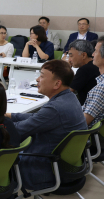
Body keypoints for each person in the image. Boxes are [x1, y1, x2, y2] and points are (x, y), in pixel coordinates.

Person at [6, 60, 86, 191]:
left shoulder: (55, 108)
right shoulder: (69, 97)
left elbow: (19, 130)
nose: (37, 79)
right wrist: (10, 116)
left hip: (43, 168)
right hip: (63, 165)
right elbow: (37, 118)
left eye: (42, 76)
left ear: (57, 83)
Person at [67, 40, 99, 105]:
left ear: (84, 55)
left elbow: (67, 92)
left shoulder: (85, 70)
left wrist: (65, 69)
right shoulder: (95, 65)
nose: (69, 60)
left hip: (85, 109)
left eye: (71, 56)